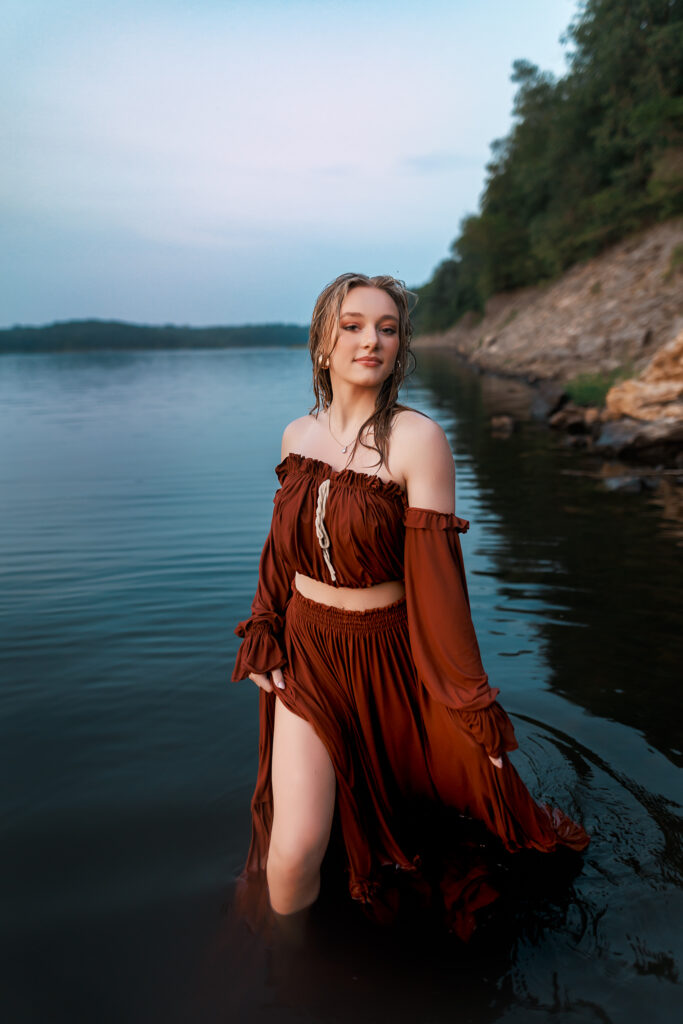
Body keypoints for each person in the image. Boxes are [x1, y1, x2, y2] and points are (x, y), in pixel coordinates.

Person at [231, 272, 590, 940]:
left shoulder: (417, 440)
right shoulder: (294, 437)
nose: (372, 340)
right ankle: (283, 986)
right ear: (321, 345)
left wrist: (470, 705)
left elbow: (439, 587)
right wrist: (262, 629)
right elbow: (280, 552)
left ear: (400, 347)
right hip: (308, 655)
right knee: (292, 852)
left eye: (387, 328)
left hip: (390, 652)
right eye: (353, 325)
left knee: (434, 821)